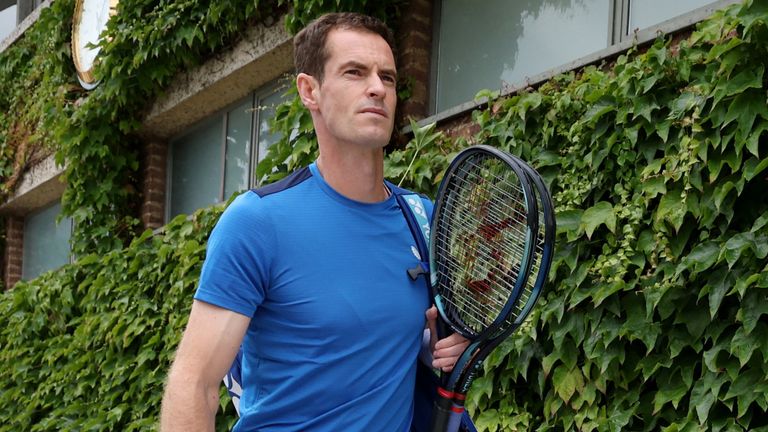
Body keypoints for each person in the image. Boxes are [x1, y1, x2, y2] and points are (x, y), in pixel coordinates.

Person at [160, 12, 469, 431]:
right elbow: (193, 384)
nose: (377, 88)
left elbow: (407, 340)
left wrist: (439, 345)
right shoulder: (258, 222)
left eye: (388, 77)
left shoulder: (420, 217)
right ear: (310, 91)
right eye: (355, 73)